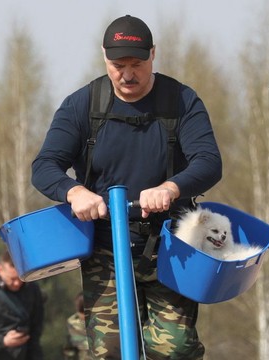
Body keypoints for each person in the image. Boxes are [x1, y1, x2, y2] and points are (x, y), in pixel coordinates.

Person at [31, 14, 222, 359]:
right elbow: (44, 166)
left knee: (174, 348)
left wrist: (172, 187)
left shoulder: (181, 101)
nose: (128, 74)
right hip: (106, 246)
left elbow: (209, 162)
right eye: (119, 65)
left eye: (137, 64)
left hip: (170, 244)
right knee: (112, 351)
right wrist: (74, 192)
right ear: (105, 58)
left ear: (153, 54)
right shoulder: (82, 105)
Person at [63, 293, 90, 360]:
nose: (83, 317)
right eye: (81, 312)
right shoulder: (71, 323)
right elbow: (69, 349)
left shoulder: (99, 321)